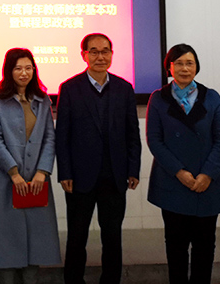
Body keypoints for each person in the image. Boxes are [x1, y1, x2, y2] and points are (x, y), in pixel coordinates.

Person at [146, 44, 220, 284]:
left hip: (207, 184)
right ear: (169, 67)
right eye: (179, 63)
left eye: (190, 63)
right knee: (175, 246)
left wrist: (207, 174)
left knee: (204, 246)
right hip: (173, 182)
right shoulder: (158, 98)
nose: (185, 68)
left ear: (197, 67)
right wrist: (179, 171)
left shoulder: (212, 97)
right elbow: (154, 140)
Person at [55, 33, 141, 284]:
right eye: (94, 51)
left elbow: (132, 134)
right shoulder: (69, 88)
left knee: (112, 237)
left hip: (115, 175)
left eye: (105, 51)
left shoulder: (124, 88)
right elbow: (63, 136)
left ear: (112, 54)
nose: (100, 56)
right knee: (77, 237)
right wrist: (65, 172)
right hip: (79, 177)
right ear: (84, 55)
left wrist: (133, 169)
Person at [0, 48, 60, 283]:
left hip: (36, 178)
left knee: (36, 234)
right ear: (9, 71)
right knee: (5, 234)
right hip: (5, 178)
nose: (24, 73)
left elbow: (49, 138)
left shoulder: (43, 100)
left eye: (28, 68)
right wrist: (13, 172)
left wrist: (42, 172)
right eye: (18, 68)